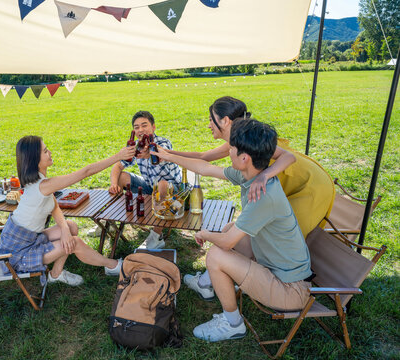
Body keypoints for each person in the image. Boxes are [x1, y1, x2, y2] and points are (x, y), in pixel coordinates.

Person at [152, 119, 313, 342]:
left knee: (217, 253)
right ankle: (210, 283)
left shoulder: (263, 195)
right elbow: (205, 168)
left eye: (232, 148)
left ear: (244, 158)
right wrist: (168, 156)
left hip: (290, 290)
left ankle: (233, 324)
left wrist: (204, 234)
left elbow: (226, 243)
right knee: (229, 228)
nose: (229, 150)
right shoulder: (253, 175)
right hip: (276, 270)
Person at [167, 96, 334, 300]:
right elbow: (204, 162)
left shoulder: (253, 140)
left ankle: (274, 284)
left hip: (310, 186)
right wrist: (165, 153)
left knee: (281, 238)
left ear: (225, 120)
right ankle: (222, 278)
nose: (209, 123)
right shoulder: (242, 146)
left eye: (211, 118)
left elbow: (289, 157)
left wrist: (265, 174)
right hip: (273, 184)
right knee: (248, 232)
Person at [0, 135, 135, 286]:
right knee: (74, 242)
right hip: (17, 253)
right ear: (34, 160)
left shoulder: (39, 180)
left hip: (29, 238)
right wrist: (118, 156)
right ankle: (113, 266)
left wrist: (64, 229)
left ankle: (55, 274)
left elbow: (54, 206)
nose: (49, 152)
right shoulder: (43, 185)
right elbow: (86, 172)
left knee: (70, 227)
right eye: (45, 151)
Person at [107, 110, 182, 249]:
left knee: (163, 184)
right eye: (136, 127)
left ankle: (156, 236)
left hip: (175, 194)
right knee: (120, 177)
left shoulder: (163, 143)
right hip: (150, 187)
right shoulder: (135, 146)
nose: (140, 130)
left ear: (153, 127)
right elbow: (117, 166)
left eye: (144, 125)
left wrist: (148, 154)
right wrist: (113, 184)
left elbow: (159, 157)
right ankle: (111, 224)